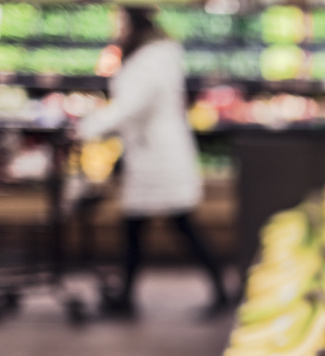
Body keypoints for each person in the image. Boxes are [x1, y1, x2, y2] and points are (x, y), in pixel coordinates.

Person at [75, 6, 229, 317]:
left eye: (119, 21)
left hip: (158, 156)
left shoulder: (151, 59)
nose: (116, 28)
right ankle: (128, 297)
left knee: (176, 224)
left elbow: (132, 106)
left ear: (133, 23)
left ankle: (219, 291)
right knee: (138, 226)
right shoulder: (155, 55)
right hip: (149, 153)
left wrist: (89, 126)